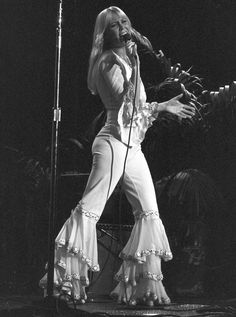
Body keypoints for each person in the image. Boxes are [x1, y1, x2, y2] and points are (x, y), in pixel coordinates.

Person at [40, 6, 195, 306]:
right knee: (89, 210)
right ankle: (61, 282)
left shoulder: (125, 59)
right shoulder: (106, 63)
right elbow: (125, 110)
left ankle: (144, 289)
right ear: (104, 33)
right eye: (113, 25)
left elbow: (138, 112)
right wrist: (137, 69)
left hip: (132, 149)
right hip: (111, 144)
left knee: (149, 213)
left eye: (124, 22)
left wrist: (163, 105)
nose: (121, 28)